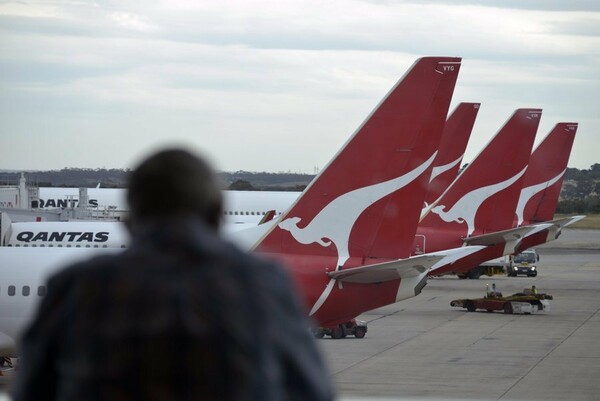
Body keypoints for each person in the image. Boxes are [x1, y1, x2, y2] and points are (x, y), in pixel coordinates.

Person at [12, 149, 334, 401]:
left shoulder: (79, 284)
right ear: (214, 215)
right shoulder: (262, 282)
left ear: (130, 219)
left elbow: (31, 390)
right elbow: (311, 390)